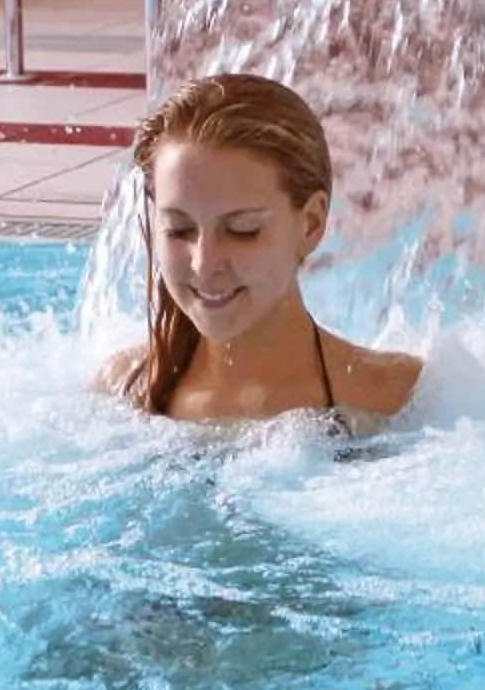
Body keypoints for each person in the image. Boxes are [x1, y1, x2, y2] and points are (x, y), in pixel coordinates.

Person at [103, 72, 422, 433]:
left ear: (311, 224)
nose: (204, 264)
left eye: (243, 231)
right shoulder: (122, 389)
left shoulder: (397, 398)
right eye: (179, 229)